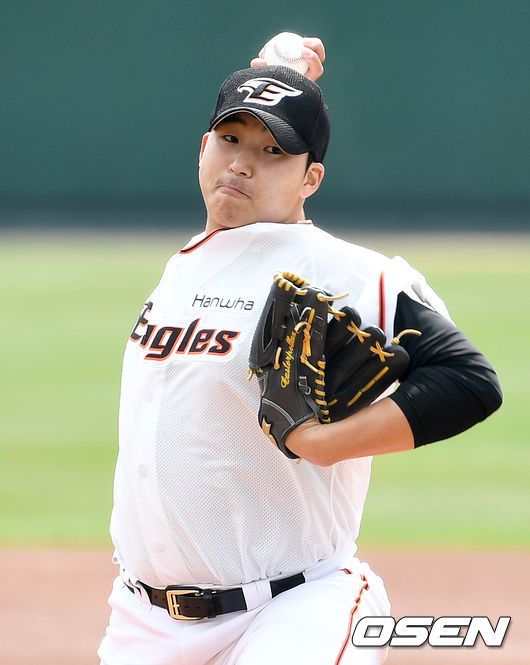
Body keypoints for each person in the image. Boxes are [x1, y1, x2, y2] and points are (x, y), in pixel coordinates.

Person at [98, 38, 502, 665]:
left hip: (293, 607)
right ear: (203, 148)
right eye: (230, 139)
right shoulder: (191, 262)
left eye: (274, 152)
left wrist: (325, 442)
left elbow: (470, 381)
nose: (241, 164)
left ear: (311, 178)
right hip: (142, 622)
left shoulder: (344, 273)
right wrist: (280, 77)